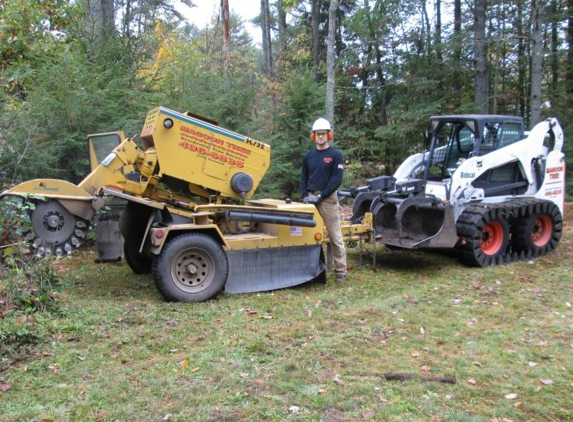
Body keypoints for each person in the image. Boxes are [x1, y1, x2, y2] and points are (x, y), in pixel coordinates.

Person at [300, 117, 347, 283]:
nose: (320, 137)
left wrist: (323, 195)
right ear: (313, 136)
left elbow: (337, 179)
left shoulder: (336, 155)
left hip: (328, 199)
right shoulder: (309, 156)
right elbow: (303, 177)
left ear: (329, 135)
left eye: (323, 134)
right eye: (317, 134)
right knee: (307, 234)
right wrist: (304, 195)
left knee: (335, 236)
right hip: (310, 198)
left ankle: (340, 271)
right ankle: (311, 269)